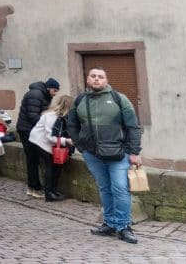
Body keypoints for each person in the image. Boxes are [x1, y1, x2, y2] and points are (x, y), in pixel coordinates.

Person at [66, 68, 142, 245]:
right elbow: (72, 125)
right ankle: (109, 223)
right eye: (93, 76)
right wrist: (81, 146)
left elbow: (133, 126)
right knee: (104, 189)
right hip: (93, 154)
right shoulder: (80, 100)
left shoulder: (118, 98)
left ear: (106, 80)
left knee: (120, 189)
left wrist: (135, 152)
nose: (96, 79)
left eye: (100, 77)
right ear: (88, 79)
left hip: (118, 154)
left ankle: (123, 226)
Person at [16, 78, 60, 198]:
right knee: (32, 159)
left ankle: (34, 186)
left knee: (34, 159)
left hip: (31, 130)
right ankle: (34, 187)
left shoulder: (42, 95)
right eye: (54, 91)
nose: (55, 94)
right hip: (27, 130)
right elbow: (33, 116)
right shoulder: (36, 95)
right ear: (48, 88)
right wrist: (47, 125)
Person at [30, 93, 74, 202]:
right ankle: (49, 193)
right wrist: (66, 141)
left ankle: (53, 191)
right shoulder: (51, 116)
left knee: (57, 166)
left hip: (48, 143)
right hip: (40, 142)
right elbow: (51, 137)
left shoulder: (62, 117)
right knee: (51, 166)